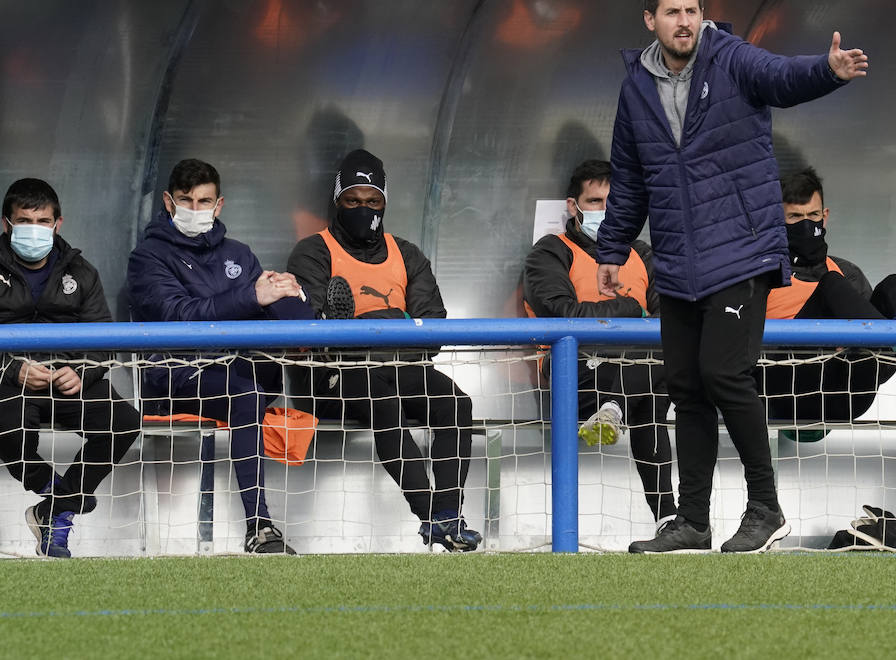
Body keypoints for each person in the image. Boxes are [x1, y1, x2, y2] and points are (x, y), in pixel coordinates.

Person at [596, 0, 868, 554]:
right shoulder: (635, 88)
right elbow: (631, 179)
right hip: (676, 262)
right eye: (672, 12)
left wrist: (828, 70)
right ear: (651, 21)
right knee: (686, 386)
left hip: (742, 253)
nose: (685, 21)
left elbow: (781, 76)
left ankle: (765, 508)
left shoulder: (730, 57)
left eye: (692, 10)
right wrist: (612, 249)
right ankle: (692, 520)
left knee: (724, 374)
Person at [287, 149, 481, 552]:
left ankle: (449, 514)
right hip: (336, 377)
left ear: (384, 203)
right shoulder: (314, 251)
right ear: (337, 201)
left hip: (398, 364)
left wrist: (370, 324)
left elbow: (434, 327)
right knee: (382, 399)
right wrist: (397, 321)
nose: (363, 209)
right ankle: (430, 515)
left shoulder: (406, 253)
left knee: (455, 404)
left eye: (372, 201)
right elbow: (316, 331)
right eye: (353, 201)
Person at [128, 158, 313, 555]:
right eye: (186, 200)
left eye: (204, 201)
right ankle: (260, 527)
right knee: (244, 394)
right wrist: (250, 296)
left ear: (220, 204)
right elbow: (180, 315)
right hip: (175, 375)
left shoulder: (239, 254)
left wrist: (293, 295)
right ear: (168, 201)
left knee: (260, 379)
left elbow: (270, 311)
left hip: (236, 371)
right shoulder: (148, 257)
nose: (195, 210)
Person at [522, 159, 674, 522]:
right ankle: (668, 516)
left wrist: (624, 315)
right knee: (650, 396)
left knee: (654, 387)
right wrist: (627, 308)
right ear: (573, 207)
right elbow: (563, 313)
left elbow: (667, 316)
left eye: (614, 203)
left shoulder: (643, 254)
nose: (605, 212)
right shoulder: (550, 251)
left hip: (638, 365)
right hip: (572, 369)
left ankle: (613, 410)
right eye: (595, 202)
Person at [0, 179, 141, 557]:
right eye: (24, 221)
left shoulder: (81, 271)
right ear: (6, 224)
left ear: (58, 223)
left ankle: (53, 512)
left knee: (124, 422)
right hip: (7, 379)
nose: (35, 229)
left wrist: (82, 372)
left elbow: (102, 341)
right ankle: (58, 494)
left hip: (68, 378)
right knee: (10, 429)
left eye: (43, 221)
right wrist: (12, 370)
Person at [761, 166, 896, 425]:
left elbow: (878, 362)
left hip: (846, 390)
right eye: (795, 217)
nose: (807, 225)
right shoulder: (763, 274)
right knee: (831, 284)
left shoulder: (848, 272)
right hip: (789, 389)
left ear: (825, 216)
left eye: (813, 215)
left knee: (894, 285)